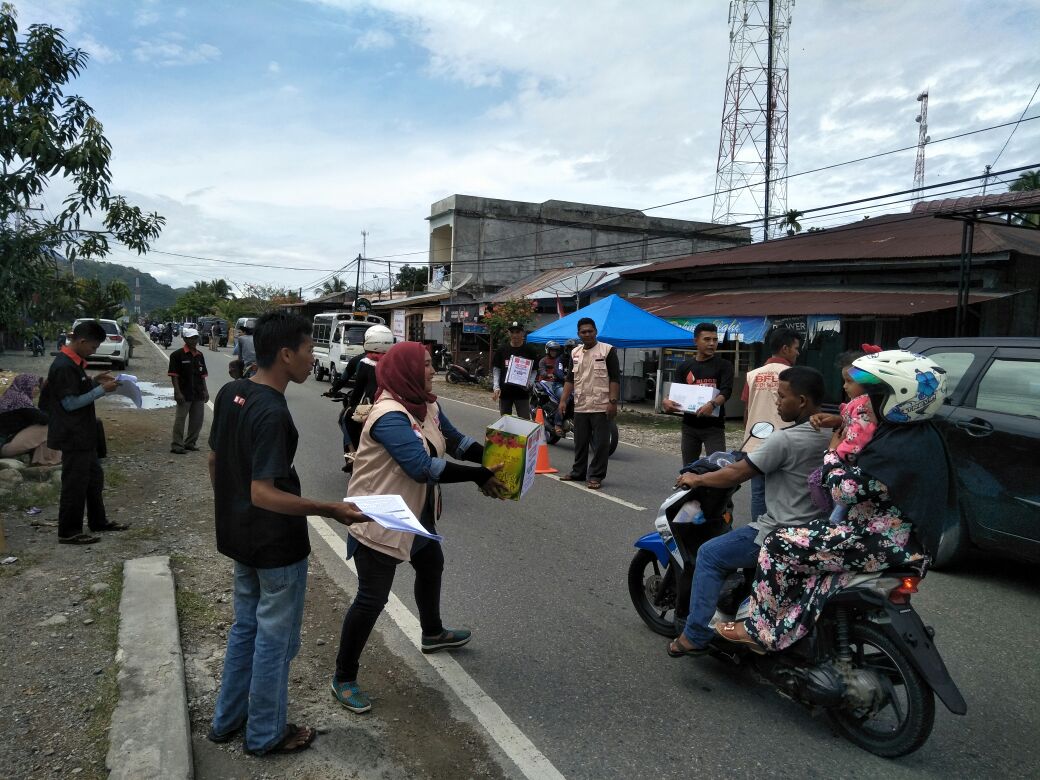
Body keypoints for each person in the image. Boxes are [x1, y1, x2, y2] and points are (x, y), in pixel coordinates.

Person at [207, 310, 370, 756]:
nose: (311, 356)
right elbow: (264, 493)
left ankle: (227, 721)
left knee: (246, 630)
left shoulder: (230, 392)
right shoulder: (273, 412)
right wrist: (329, 509)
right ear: (284, 354)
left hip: (239, 538)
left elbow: (216, 462)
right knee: (274, 644)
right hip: (276, 547)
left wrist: (232, 508)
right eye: (307, 348)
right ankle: (264, 734)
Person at [717, 351, 952, 654]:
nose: (862, 400)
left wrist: (832, 452)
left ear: (894, 399)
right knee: (810, 542)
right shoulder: (916, 434)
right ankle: (793, 624)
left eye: (872, 393)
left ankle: (759, 629)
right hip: (906, 540)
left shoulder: (895, 448)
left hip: (879, 541)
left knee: (777, 543)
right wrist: (840, 420)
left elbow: (843, 491)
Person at [332, 341, 508, 714]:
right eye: (426, 365)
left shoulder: (426, 404)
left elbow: (456, 441)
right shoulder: (389, 415)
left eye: (431, 364)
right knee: (371, 599)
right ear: (407, 370)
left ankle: (432, 632)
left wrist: (499, 457)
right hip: (380, 517)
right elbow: (421, 467)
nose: (432, 370)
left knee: (431, 564)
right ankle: (344, 676)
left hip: (416, 513)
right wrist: (480, 477)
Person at [666, 366, 831, 657]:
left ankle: (694, 635)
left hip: (779, 532)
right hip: (820, 532)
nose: (777, 403)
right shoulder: (835, 431)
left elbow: (735, 474)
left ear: (803, 401)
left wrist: (697, 478)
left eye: (781, 397)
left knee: (709, 554)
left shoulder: (786, 439)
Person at [42, 320, 130, 544]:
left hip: (84, 434)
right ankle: (69, 531)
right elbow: (70, 403)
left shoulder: (75, 363)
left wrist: (93, 382)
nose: (94, 351)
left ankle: (98, 521)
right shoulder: (62, 366)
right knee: (75, 483)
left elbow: (78, 388)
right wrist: (101, 390)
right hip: (72, 435)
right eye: (93, 347)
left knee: (94, 479)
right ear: (81, 341)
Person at [809, 345, 882, 522]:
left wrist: (836, 453)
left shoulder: (864, 405)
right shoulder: (861, 403)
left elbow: (860, 437)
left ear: (868, 382)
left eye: (849, 381)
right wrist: (838, 420)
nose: (844, 386)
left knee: (840, 510)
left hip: (850, 465)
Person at [740, 328, 801, 522]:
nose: (797, 353)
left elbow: (747, 410)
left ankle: (757, 533)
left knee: (758, 492)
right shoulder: (794, 375)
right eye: (796, 348)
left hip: (754, 442)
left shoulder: (753, 374)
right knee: (785, 492)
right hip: (786, 442)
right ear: (785, 348)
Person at [557, 317, 620, 490]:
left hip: (601, 405)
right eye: (583, 332)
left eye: (590, 331)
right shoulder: (575, 353)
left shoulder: (607, 351)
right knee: (580, 442)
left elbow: (615, 379)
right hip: (581, 405)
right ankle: (578, 472)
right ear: (578, 334)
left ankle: (596, 476)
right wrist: (563, 401)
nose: (587, 334)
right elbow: (570, 379)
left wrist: (613, 402)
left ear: (596, 332)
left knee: (600, 444)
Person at [663, 322, 734, 466]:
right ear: (696, 340)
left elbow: (726, 391)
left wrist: (712, 404)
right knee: (689, 468)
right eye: (707, 339)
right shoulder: (684, 367)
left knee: (717, 467)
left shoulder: (724, 365)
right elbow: (675, 393)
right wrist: (666, 402)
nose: (712, 343)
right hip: (689, 426)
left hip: (714, 427)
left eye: (715, 340)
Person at [341, 325, 393, 473]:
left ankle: (354, 455)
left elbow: (358, 391)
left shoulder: (365, 362)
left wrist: (351, 405)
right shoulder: (395, 361)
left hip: (372, 406)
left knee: (347, 419)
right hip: (396, 404)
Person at [0, 374, 61, 465]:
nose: (37, 389)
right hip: (4, 446)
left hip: (7, 443)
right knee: (50, 426)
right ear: (25, 385)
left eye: (37, 386)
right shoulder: (20, 401)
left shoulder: (11, 397)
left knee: (46, 433)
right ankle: (46, 460)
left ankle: (42, 461)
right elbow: (44, 419)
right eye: (34, 386)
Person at [168, 327, 208, 454]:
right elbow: (174, 376)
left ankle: (190, 443)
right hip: (184, 393)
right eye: (191, 338)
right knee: (180, 420)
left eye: (195, 338)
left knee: (197, 420)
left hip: (198, 393)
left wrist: (205, 391)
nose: (194, 340)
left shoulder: (200, 355)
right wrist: (177, 392)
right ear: (185, 339)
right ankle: (177, 445)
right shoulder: (177, 355)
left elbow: (203, 376)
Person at [491, 321, 539, 417]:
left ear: (523, 333)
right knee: (505, 421)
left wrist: (530, 383)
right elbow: (497, 370)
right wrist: (496, 387)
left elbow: (534, 370)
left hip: (522, 394)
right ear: (509, 333)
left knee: (524, 421)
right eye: (512, 332)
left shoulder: (530, 350)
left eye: (518, 332)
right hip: (505, 393)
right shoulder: (502, 350)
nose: (515, 335)